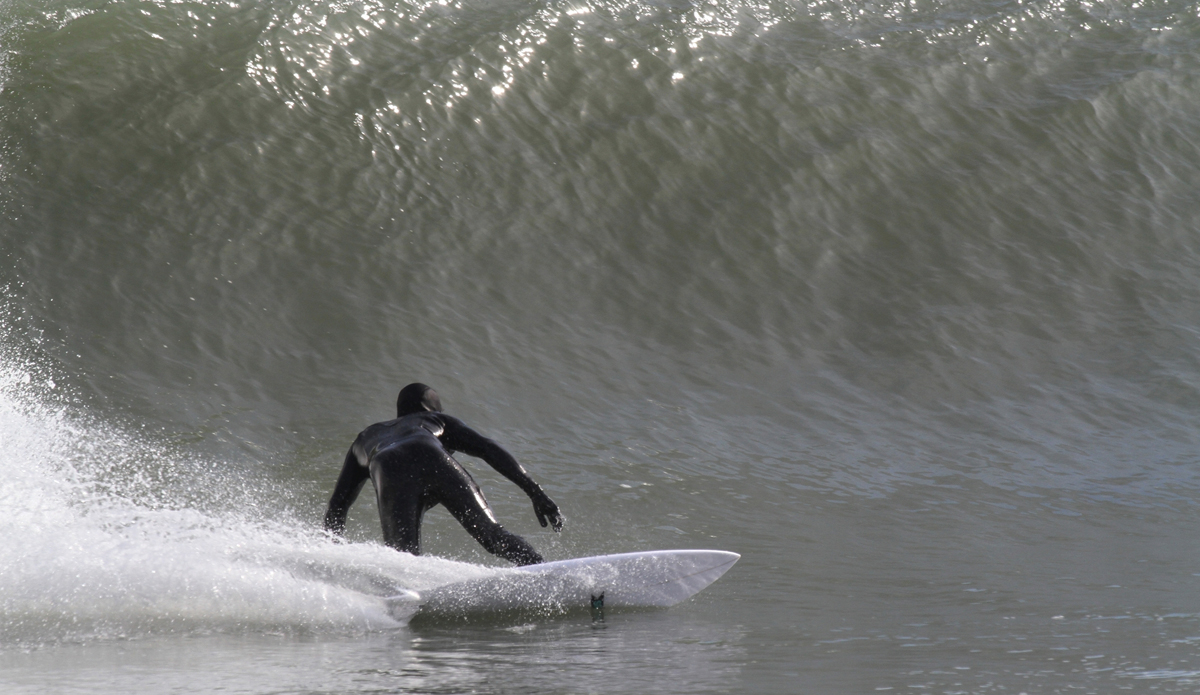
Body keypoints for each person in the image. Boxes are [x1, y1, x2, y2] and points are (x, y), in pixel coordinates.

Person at [323, 383, 563, 565]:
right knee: (493, 536)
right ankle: (543, 572)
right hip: (428, 452)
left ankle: (411, 601)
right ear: (430, 408)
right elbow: (488, 449)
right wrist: (536, 492)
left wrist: (332, 556)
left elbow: (337, 506)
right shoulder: (434, 419)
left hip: (386, 464)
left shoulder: (365, 437)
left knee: (404, 560)